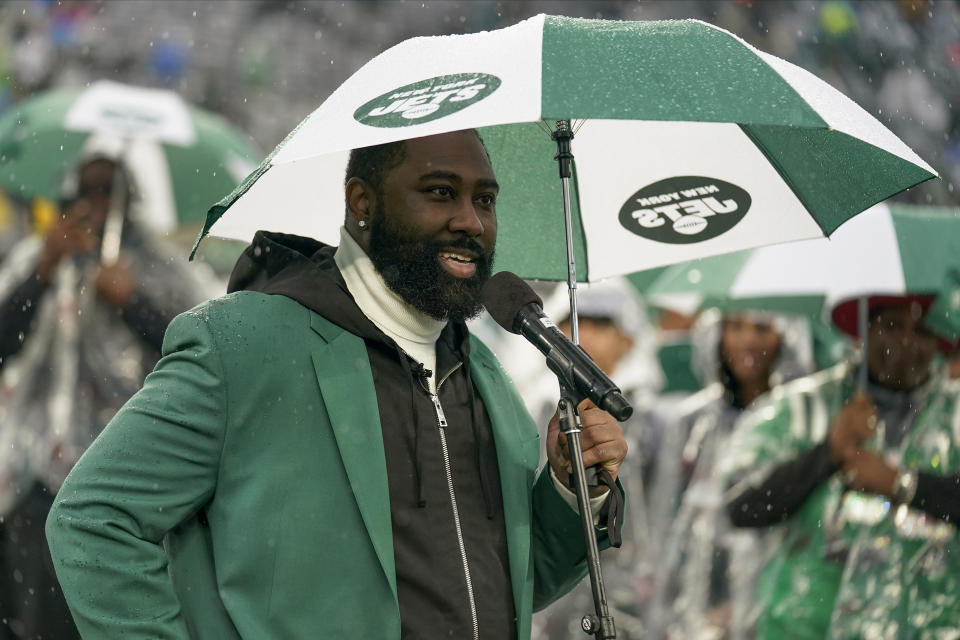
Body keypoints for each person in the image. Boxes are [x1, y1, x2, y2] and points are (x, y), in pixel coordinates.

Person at [45, 129, 628, 639]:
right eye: (440, 192)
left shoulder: (484, 378)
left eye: (485, 200)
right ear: (361, 203)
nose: (470, 221)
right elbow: (95, 519)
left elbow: (512, 588)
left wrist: (571, 490)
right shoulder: (245, 344)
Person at [0, 144, 213, 639]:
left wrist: (132, 303)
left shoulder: (160, 264)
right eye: (85, 189)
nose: (95, 201)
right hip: (31, 475)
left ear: (128, 198)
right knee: (32, 617)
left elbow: (196, 353)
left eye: (108, 189)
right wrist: (43, 271)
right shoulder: (41, 252)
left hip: (121, 475)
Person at [724, 295, 960, 639]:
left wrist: (902, 484)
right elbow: (743, 506)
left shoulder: (954, 415)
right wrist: (830, 451)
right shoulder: (799, 407)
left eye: (922, 330)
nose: (907, 341)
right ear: (864, 331)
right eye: (892, 326)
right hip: (803, 629)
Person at [643, 308, 814, 640]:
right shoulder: (694, 422)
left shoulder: (800, 422)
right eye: (735, 327)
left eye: (763, 328)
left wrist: (759, 604)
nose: (747, 340)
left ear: (788, 338)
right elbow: (666, 526)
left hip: (779, 609)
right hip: (697, 611)